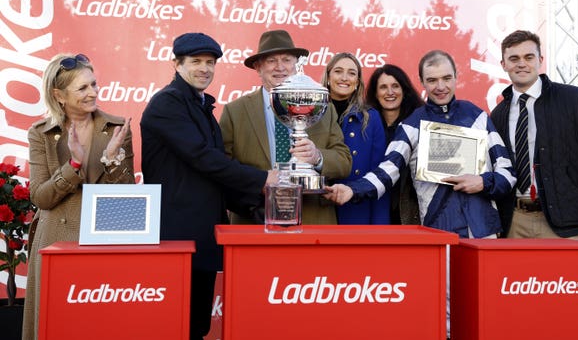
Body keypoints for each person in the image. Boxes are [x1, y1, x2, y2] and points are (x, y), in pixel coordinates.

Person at [140, 32, 278, 339]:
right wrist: (263, 180)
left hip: (199, 232)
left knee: (197, 326)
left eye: (210, 62)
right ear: (176, 64)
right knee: (177, 326)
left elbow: (213, 169)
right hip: (175, 235)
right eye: (196, 62)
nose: (205, 68)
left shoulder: (199, 104)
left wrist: (254, 205)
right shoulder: (167, 104)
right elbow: (203, 159)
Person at [324, 50, 516, 238]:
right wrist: (352, 190)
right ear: (422, 81)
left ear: (456, 77)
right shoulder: (411, 125)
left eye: (447, 78)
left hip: (484, 229)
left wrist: (483, 182)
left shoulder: (477, 115)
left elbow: (508, 174)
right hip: (439, 231)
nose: (440, 86)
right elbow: (386, 172)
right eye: (432, 80)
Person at [23, 53, 134, 340]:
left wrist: (111, 159)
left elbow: (124, 202)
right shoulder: (40, 134)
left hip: (101, 243)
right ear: (58, 95)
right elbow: (41, 198)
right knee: (54, 326)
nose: (94, 93)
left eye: (94, 84)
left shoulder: (118, 128)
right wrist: (73, 165)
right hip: (54, 245)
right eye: (83, 88)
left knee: (97, 326)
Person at [490, 30, 578, 244]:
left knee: (566, 279)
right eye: (514, 58)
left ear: (540, 60)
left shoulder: (575, 100)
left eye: (528, 57)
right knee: (515, 280)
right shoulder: (498, 114)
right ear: (503, 64)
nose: (521, 64)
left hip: (565, 224)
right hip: (512, 223)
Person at [219, 29, 351, 224]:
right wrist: (260, 183)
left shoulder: (322, 107)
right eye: (271, 60)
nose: (280, 67)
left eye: (287, 60)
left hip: (314, 221)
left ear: (296, 65)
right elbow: (223, 168)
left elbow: (344, 160)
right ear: (258, 67)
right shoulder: (235, 112)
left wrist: (317, 157)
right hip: (255, 220)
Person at [321, 52, 389, 224]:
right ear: (328, 76)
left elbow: (378, 175)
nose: (344, 78)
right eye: (338, 71)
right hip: (316, 210)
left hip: (355, 212)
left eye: (351, 73)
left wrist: (379, 226)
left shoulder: (371, 118)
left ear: (357, 82)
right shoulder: (310, 112)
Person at [366, 64, 423, 224]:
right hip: (373, 207)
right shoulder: (366, 128)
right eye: (383, 87)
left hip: (409, 213)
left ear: (404, 91)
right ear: (375, 94)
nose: (390, 92)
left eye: (395, 86)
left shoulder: (418, 125)